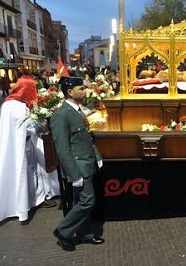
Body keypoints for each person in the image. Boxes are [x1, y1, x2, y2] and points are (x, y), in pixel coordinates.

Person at [0, 77, 58, 224]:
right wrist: (45, 121)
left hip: (11, 146)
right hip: (21, 146)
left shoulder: (7, 104)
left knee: (15, 171)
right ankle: (24, 204)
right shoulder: (19, 107)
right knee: (28, 173)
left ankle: (6, 198)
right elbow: (32, 127)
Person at [51, 76, 105, 252]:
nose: (85, 91)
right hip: (78, 167)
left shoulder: (78, 110)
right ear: (69, 92)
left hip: (87, 162)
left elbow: (86, 138)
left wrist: (96, 155)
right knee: (87, 201)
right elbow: (63, 149)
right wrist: (74, 174)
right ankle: (63, 231)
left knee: (78, 202)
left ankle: (85, 234)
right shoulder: (61, 115)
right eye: (81, 88)